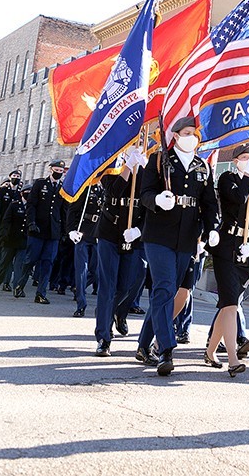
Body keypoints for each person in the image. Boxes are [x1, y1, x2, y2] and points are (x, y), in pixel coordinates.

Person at [137, 116, 218, 375]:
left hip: (187, 238)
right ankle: (166, 349)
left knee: (169, 294)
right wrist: (158, 199)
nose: (191, 137)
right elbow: (144, 194)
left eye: (194, 133)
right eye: (185, 132)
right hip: (159, 235)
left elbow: (209, 203)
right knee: (164, 288)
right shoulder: (159, 161)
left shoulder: (202, 167)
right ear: (175, 135)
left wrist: (212, 229)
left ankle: (142, 344)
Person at [204, 143, 249, 377]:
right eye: (243, 157)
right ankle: (232, 360)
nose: (248, 161)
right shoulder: (227, 179)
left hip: (246, 251)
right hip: (226, 247)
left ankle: (211, 351)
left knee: (228, 305)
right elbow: (237, 198)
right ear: (235, 161)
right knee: (231, 303)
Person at [93, 150, 146, 357]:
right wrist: (127, 166)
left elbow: (148, 203)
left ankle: (107, 313)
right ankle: (103, 338)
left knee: (125, 286)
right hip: (109, 232)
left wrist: (139, 230)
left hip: (131, 236)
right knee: (107, 285)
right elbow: (114, 191)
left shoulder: (145, 170)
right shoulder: (110, 165)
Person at [14, 161, 68, 303]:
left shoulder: (63, 188)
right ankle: (20, 284)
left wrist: (64, 232)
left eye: (61, 171)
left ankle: (41, 293)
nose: (58, 172)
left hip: (53, 232)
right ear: (50, 170)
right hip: (37, 229)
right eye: (56, 169)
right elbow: (31, 205)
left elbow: (64, 211)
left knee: (47, 262)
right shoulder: (40, 184)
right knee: (30, 259)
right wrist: (31, 222)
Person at [67, 182, 104, 317]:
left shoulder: (107, 188)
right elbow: (73, 209)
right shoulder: (87, 188)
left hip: (99, 234)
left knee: (96, 272)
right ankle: (81, 304)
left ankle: (78, 288)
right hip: (83, 233)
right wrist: (71, 230)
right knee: (81, 270)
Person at [0, 183, 32, 293]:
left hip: (23, 240)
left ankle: (17, 288)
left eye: (30, 192)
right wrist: (3, 235)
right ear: (21, 193)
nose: (28, 194)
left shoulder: (32, 208)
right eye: (26, 192)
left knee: (19, 265)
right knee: (4, 263)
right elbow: (6, 221)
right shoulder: (14, 205)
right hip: (10, 239)